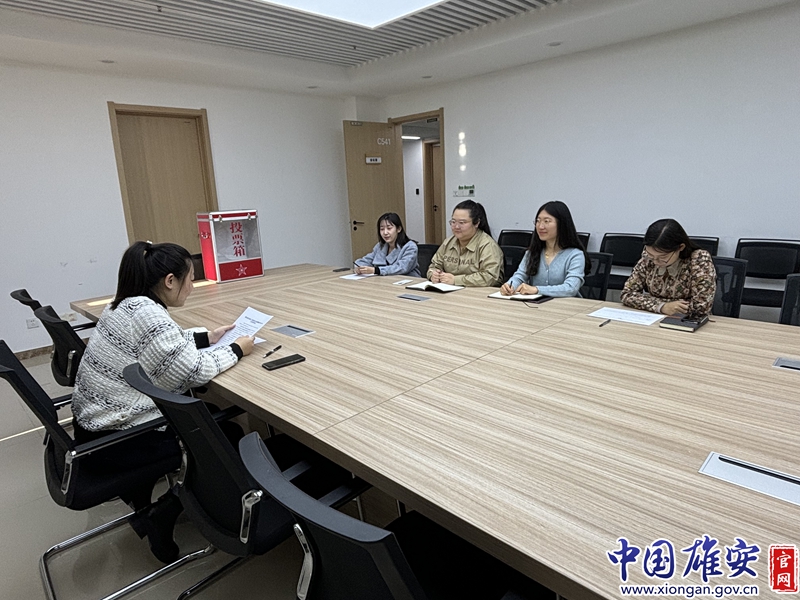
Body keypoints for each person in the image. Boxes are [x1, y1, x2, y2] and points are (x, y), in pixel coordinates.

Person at [71, 241, 255, 562]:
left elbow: (160, 343)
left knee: (210, 415)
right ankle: (164, 512)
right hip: (118, 441)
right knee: (226, 436)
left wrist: (207, 337)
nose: (192, 286)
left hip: (93, 430)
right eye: (190, 279)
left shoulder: (124, 305)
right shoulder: (147, 314)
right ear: (170, 281)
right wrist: (237, 349)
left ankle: (160, 496)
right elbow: (193, 371)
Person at [621, 219, 716, 316]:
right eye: (651, 255)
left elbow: (702, 306)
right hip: (654, 316)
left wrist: (649, 302)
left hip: (687, 319)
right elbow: (627, 294)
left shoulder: (699, 259)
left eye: (663, 257)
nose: (655, 261)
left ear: (680, 247)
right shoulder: (647, 257)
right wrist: (662, 307)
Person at [500, 201, 588, 297]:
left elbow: (571, 288)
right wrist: (510, 285)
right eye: (538, 221)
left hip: (566, 305)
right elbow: (520, 277)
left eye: (547, 221)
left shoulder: (575, 255)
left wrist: (537, 290)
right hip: (536, 304)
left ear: (561, 224)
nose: (540, 226)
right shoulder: (531, 253)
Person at [427, 200, 503, 286]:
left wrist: (456, 280)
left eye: (462, 223)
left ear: (476, 223)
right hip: (449, 290)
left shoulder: (488, 245)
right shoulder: (448, 242)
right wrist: (433, 275)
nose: (456, 226)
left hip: (479, 292)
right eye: (453, 222)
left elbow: (490, 277)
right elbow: (434, 266)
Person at [354, 212, 420, 277]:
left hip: (408, 280)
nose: (385, 232)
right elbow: (365, 260)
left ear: (398, 229)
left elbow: (402, 268)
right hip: (385, 280)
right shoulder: (380, 246)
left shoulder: (410, 246)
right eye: (382, 229)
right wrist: (359, 267)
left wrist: (376, 270)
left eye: (389, 228)